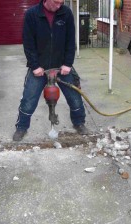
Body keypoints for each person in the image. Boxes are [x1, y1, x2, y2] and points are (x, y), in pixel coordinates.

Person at [13, 0, 88, 141]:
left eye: (62, 3)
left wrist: (67, 64)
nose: (59, 6)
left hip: (62, 67)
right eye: (56, 3)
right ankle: (21, 127)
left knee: (75, 97)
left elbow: (71, 41)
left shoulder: (66, 14)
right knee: (29, 99)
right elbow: (28, 43)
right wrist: (35, 66)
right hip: (39, 68)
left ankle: (79, 123)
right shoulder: (32, 14)